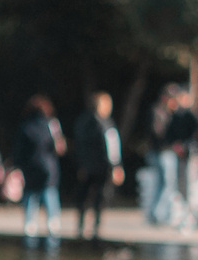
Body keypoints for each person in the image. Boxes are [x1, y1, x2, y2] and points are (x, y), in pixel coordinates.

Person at [159, 86, 198, 232]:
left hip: (192, 156)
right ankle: (184, 216)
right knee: (181, 188)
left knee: (191, 187)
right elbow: (168, 136)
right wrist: (174, 145)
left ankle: (192, 217)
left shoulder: (194, 115)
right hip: (181, 157)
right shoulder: (177, 116)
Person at [72, 94, 124, 240]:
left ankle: (95, 228)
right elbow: (81, 147)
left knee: (100, 198)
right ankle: (82, 227)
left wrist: (116, 166)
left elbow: (113, 148)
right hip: (92, 167)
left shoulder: (106, 123)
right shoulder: (89, 123)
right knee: (85, 197)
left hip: (101, 167)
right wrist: (81, 165)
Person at [16, 96, 66, 243]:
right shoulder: (53, 124)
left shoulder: (25, 126)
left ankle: (29, 226)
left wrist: (18, 166)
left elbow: (19, 151)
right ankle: (53, 226)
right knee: (50, 196)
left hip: (31, 167)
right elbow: (60, 147)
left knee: (31, 197)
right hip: (48, 168)